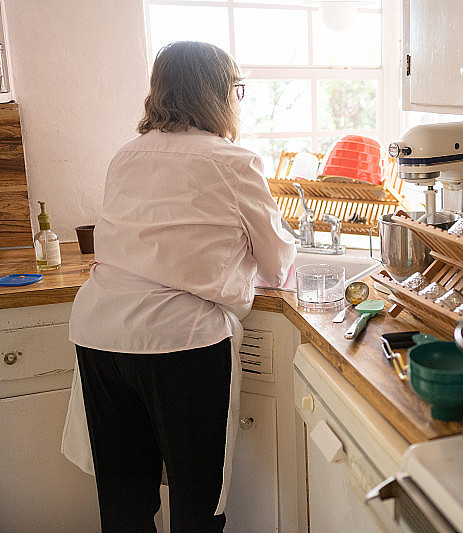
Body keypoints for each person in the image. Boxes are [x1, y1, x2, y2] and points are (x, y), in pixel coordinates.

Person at [64, 41, 296, 532]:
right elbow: (277, 263)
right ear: (220, 93)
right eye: (238, 88)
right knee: (197, 500)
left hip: (100, 332)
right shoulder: (236, 163)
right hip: (180, 342)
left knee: (125, 499)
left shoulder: (125, 155)